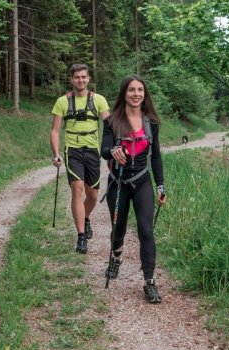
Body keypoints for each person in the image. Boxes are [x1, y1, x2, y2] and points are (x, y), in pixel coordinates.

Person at [100, 75, 166, 303]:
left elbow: (155, 156)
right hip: (117, 183)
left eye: (140, 90)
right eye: (131, 90)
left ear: (144, 94)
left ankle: (149, 281)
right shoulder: (111, 121)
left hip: (141, 182)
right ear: (124, 94)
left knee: (146, 230)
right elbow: (104, 150)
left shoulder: (152, 122)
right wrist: (113, 151)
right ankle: (116, 257)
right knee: (118, 229)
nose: (136, 94)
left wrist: (160, 185)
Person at [49, 64, 110, 254]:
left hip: (92, 150)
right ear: (72, 79)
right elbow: (55, 131)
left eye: (83, 77)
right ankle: (81, 237)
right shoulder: (63, 102)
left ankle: (85, 217)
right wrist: (56, 153)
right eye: (77, 77)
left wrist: (112, 150)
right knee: (77, 189)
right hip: (72, 150)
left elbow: (109, 126)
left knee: (92, 195)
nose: (80, 80)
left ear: (89, 79)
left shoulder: (98, 100)